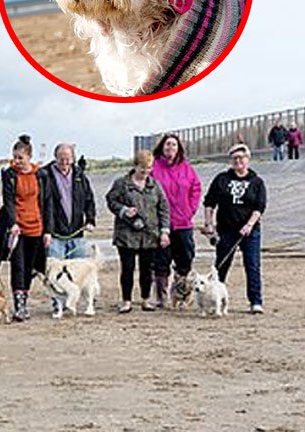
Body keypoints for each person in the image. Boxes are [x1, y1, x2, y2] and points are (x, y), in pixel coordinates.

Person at [203, 143, 267, 314]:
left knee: (252, 265)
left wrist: (249, 225)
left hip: (249, 231)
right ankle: (213, 299)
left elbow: (259, 207)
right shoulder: (221, 179)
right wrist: (209, 224)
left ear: (248, 159)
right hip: (226, 229)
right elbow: (209, 203)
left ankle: (255, 301)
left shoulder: (257, 182)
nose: (238, 161)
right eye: (234, 158)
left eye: (241, 157)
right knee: (221, 266)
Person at [0, 135, 45, 322]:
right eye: (15, 157)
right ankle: (19, 307)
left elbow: (48, 202)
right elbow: (8, 201)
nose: (17, 161)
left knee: (30, 267)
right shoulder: (9, 175)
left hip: (36, 226)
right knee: (18, 266)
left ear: (29, 156)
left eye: (20, 157)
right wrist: (12, 223)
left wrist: (49, 230)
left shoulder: (41, 175)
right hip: (17, 227)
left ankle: (25, 302)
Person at [105, 150, 170, 313]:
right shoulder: (121, 183)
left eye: (149, 168)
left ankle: (146, 299)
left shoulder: (155, 185)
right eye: (143, 169)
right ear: (135, 166)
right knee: (127, 268)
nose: (146, 172)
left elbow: (163, 208)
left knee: (146, 269)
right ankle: (126, 301)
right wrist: (123, 210)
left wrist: (164, 231)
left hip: (149, 235)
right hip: (126, 235)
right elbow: (111, 200)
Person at [148, 133, 202, 308]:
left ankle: (182, 293)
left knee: (185, 258)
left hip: (183, 222)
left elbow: (196, 188)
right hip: (160, 223)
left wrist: (190, 210)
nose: (170, 148)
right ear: (162, 147)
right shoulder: (154, 167)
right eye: (167, 144)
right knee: (160, 260)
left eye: (173, 145)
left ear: (178, 148)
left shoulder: (186, 168)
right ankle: (161, 296)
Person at [40, 144, 96, 261]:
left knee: (77, 274)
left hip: (77, 234)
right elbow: (43, 205)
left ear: (73, 159)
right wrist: (47, 231)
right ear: (55, 157)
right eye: (61, 159)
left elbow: (89, 200)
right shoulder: (45, 175)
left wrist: (90, 220)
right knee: (55, 275)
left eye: (68, 159)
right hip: (54, 235)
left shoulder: (80, 176)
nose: (65, 162)